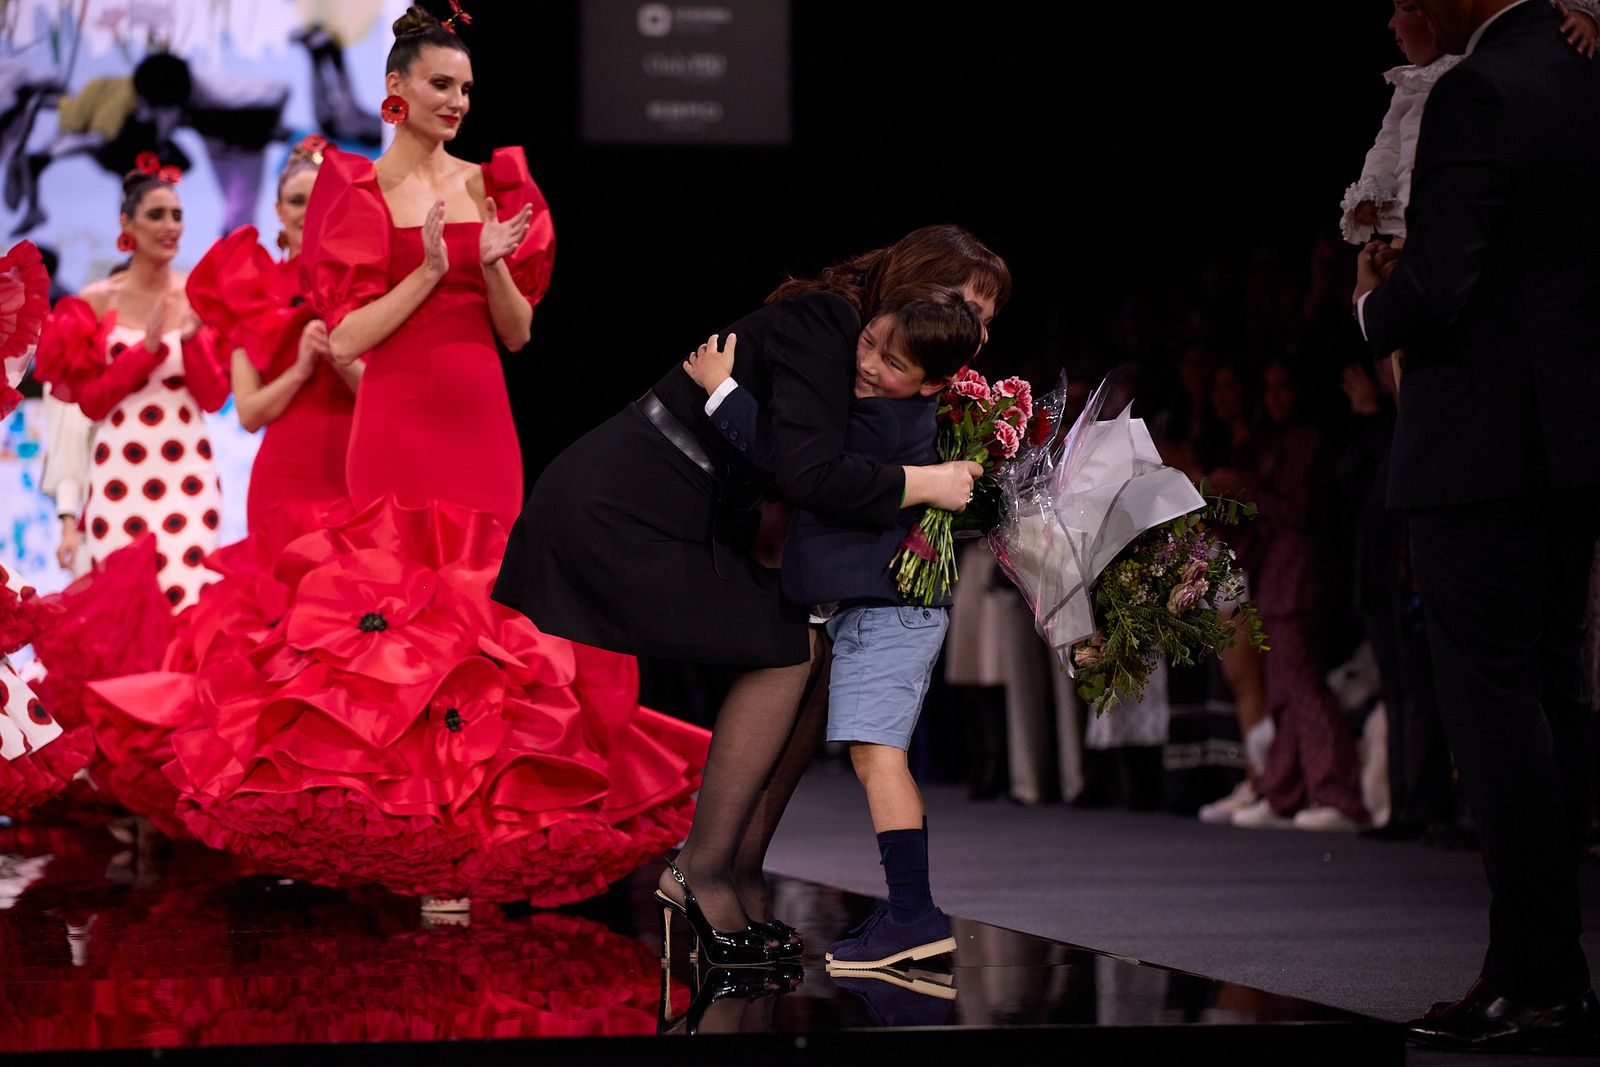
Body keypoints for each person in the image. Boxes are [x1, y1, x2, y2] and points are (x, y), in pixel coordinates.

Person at [79, 5, 708, 914]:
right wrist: (422, 270)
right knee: (397, 629)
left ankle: (469, 851)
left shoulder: (500, 184)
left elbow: (520, 334)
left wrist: (489, 263)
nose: (457, 101)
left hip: (481, 420)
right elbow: (346, 332)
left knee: (485, 621)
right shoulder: (355, 191)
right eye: (441, 85)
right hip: (394, 420)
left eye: (465, 89)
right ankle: (415, 846)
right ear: (396, 91)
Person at [494, 224, 1009, 963]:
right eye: (969, 305)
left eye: (986, 321)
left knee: (809, 647)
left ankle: (736, 871)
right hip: (620, 510)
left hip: (675, 510)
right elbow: (807, 474)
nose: (979, 332)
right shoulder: (832, 323)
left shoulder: (871, 337)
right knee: (787, 646)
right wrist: (927, 482)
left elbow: (803, 463)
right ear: (912, 280)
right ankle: (701, 873)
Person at [1354, 0, 1600, 1049]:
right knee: (1550, 694)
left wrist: (1371, 307)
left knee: (1495, 711)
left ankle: (1538, 971)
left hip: (1480, 449)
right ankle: (1541, 964)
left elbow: (1440, 280)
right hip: (1570, 440)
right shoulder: (1583, 70)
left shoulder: (1477, 87)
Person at [680, 283, 980, 970]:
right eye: (869, 341)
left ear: (933, 382)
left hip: (887, 613)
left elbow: (790, 460)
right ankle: (910, 914)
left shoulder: (882, 425)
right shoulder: (893, 406)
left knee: (879, 759)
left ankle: (913, 916)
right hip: (876, 611)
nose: (869, 364)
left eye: (893, 363)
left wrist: (722, 389)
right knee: (876, 757)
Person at [33, 168, 229, 610]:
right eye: (157, 214)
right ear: (127, 225)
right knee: (125, 607)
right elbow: (90, 401)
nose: (170, 226)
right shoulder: (96, 300)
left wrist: (193, 339)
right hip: (120, 475)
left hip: (188, 475)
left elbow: (214, 399)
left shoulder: (199, 294)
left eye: (177, 215)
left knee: (188, 598)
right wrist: (149, 351)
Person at [186, 136, 360, 546]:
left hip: (355, 468)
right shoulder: (252, 289)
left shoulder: (364, 287)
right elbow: (248, 414)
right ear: (279, 211)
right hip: (282, 477)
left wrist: (339, 356)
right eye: (298, 201)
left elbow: (380, 397)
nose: (309, 211)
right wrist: (300, 370)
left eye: (320, 198)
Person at [1340, 0, 1598, 246]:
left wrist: (1586, 18)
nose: (1392, 23)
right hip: (1409, 230)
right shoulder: (1409, 82)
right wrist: (1372, 188)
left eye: (1406, 7)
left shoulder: (1491, 62)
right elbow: (1387, 144)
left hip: (1467, 225)